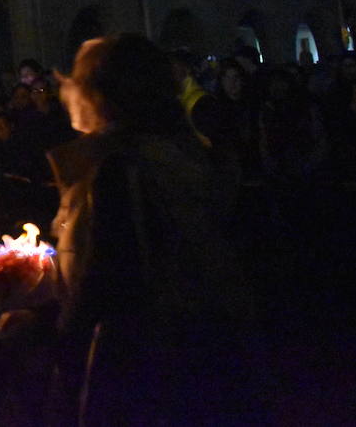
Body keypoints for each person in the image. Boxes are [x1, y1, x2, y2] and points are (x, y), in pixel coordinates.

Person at [44, 34, 256, 425]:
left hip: (140, 356)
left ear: (105, 93)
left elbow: (106, 275)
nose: (67, 87)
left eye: (79, 77)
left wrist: (63, 344)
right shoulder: (185, 151)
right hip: (209, 345)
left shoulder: (120, 168)